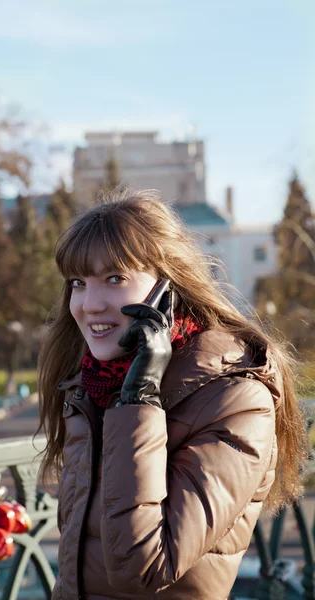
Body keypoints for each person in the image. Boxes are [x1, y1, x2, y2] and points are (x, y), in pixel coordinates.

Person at [38, 189, 308, 600]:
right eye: (78, 283)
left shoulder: (235, 398)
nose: (89, 304)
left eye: (115, 278)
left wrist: (140, 399)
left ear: (167, 286)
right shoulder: (92, 384)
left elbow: (144, 567)